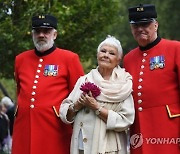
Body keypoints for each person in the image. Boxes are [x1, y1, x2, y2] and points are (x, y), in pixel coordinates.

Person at [12, 14, 84, 154]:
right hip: (24, 129)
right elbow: (20, 91)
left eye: (46, 31)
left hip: (55, 130)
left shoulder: (69, 58)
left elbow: (77, 95)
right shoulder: (21, 59)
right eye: (37, 31)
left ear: (55, 34)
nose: (41, 35)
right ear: (32, 34)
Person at [60, 35, 135, 154]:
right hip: (82, 146)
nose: (106, 55)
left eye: (111, 53)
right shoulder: (84, 80)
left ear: (118, 60)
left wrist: (97, 108)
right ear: (97, 54)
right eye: (103, 51)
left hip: (108, 149)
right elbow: (65, 113)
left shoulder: (124, 85)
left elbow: (126, 120)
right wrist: (77, 106)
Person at [123, 4, 180, 154]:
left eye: (145, 24)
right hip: (139, 129)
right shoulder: (128, 58)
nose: (140, 29)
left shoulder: (175, 48)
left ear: (155, 25)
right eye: (136, 26)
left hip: (169, 127)